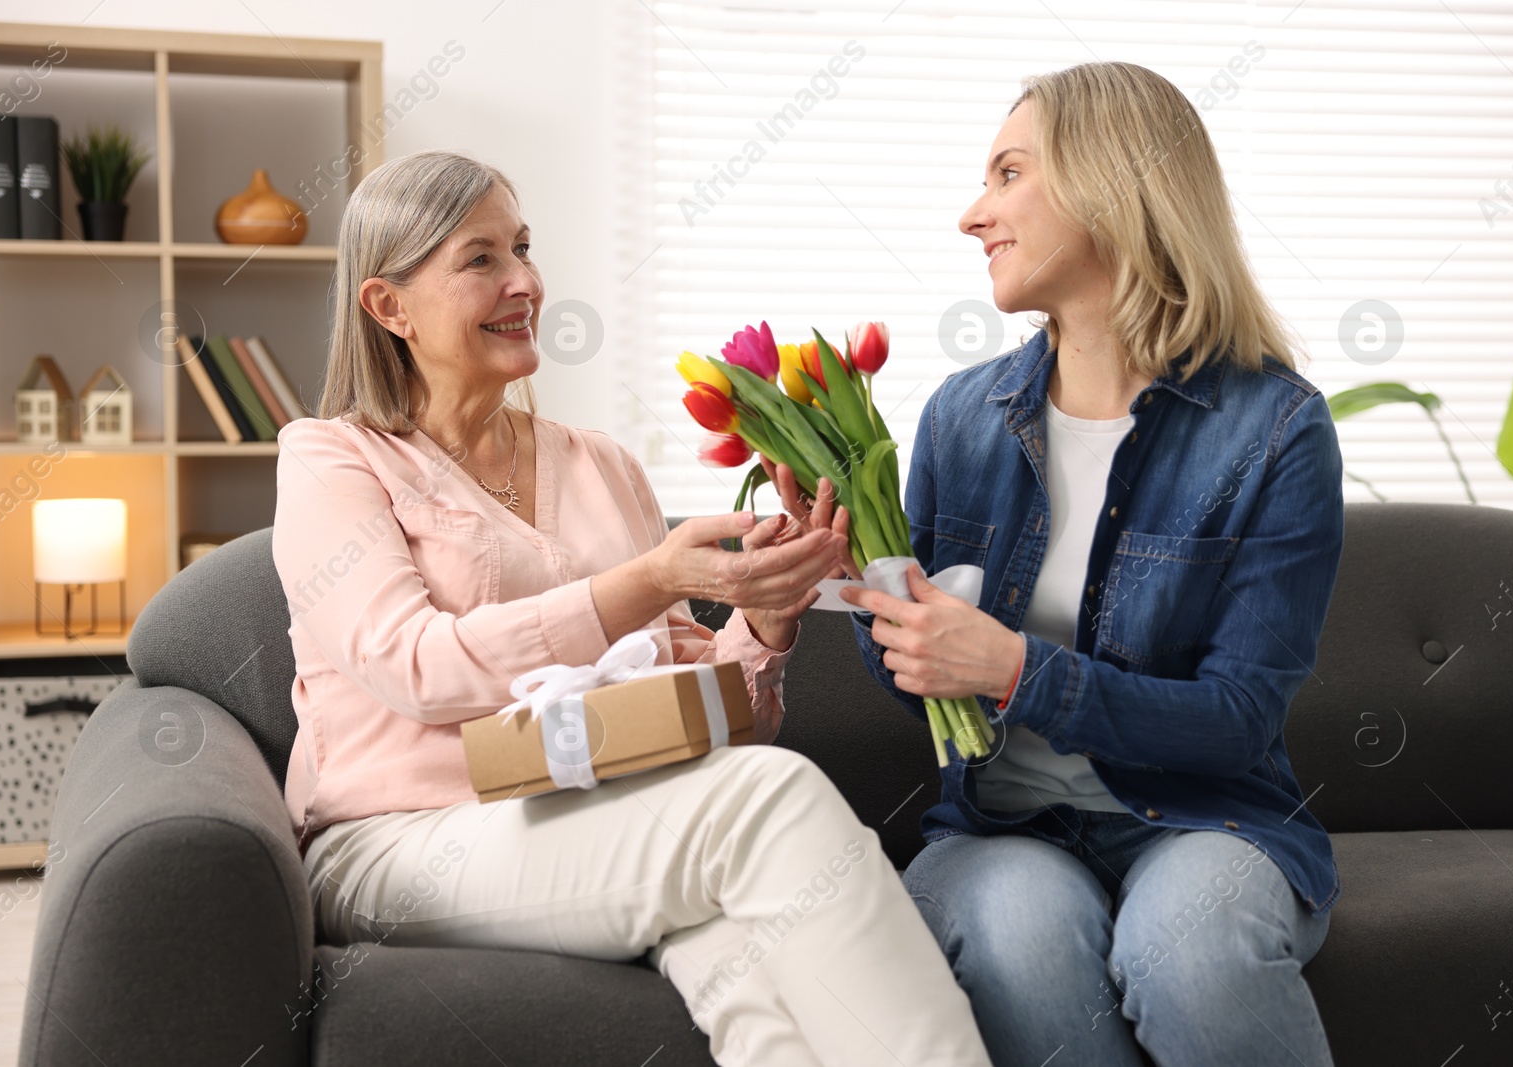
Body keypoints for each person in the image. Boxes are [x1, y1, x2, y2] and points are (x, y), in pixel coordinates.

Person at [272, 149, 993, 1067]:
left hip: (603, 808)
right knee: (765, 807)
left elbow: (706, 717)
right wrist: (648, 581)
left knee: (751, 974)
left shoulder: (599, 462)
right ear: (388, 306)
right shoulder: (333, 459)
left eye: (524, 248)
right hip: (399, 841)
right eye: (480, 258)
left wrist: (766, 614)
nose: (525, 280)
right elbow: (417, 666)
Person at [770, 62, 1344, 1066]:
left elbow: (1239, 719)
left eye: (1005, 174)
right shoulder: (962, 417)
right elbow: (924, 703)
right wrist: (871, 582)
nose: (970, 214)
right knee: (1017, 940)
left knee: (1190, 949)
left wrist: (1011, 669)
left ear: (1108, 184)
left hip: (1204, 819)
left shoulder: (1275, 427)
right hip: (1000, 828)